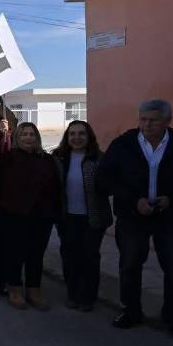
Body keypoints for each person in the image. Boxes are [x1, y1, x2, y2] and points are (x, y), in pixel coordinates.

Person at [99, 99, 173, 344]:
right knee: (129, 264)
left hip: (172, 218)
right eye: (143, 119)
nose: (147, 125)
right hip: (132, 217)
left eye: (153, 120)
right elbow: (106, 177)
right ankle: (131, 311)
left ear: (168, 121)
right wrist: (132, 201)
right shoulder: (123, 145)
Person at [0, 121, 61, 310]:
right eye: (23, 134)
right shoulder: (9, 157)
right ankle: (14, 288)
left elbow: (55, 186)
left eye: (31, 134)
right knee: (15, 253)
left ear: (37, 138)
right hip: (14, 214)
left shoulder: (47, 160)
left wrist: (53, 211)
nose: (28, 138)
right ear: (17, 138)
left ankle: (34, 289)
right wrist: (1, 134)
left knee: (36, 254)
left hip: (41, 216)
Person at [51, 120, 112, 311]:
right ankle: (73, 293)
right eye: (72, 134)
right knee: (69, 256)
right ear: (67, 137)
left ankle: (88, 297)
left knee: (90, 257)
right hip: (67, 217)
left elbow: (109, 186)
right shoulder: (58, 158)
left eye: (81, 134)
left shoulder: (99, 159)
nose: (76, 138)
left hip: (93, 218)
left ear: (89, 137)